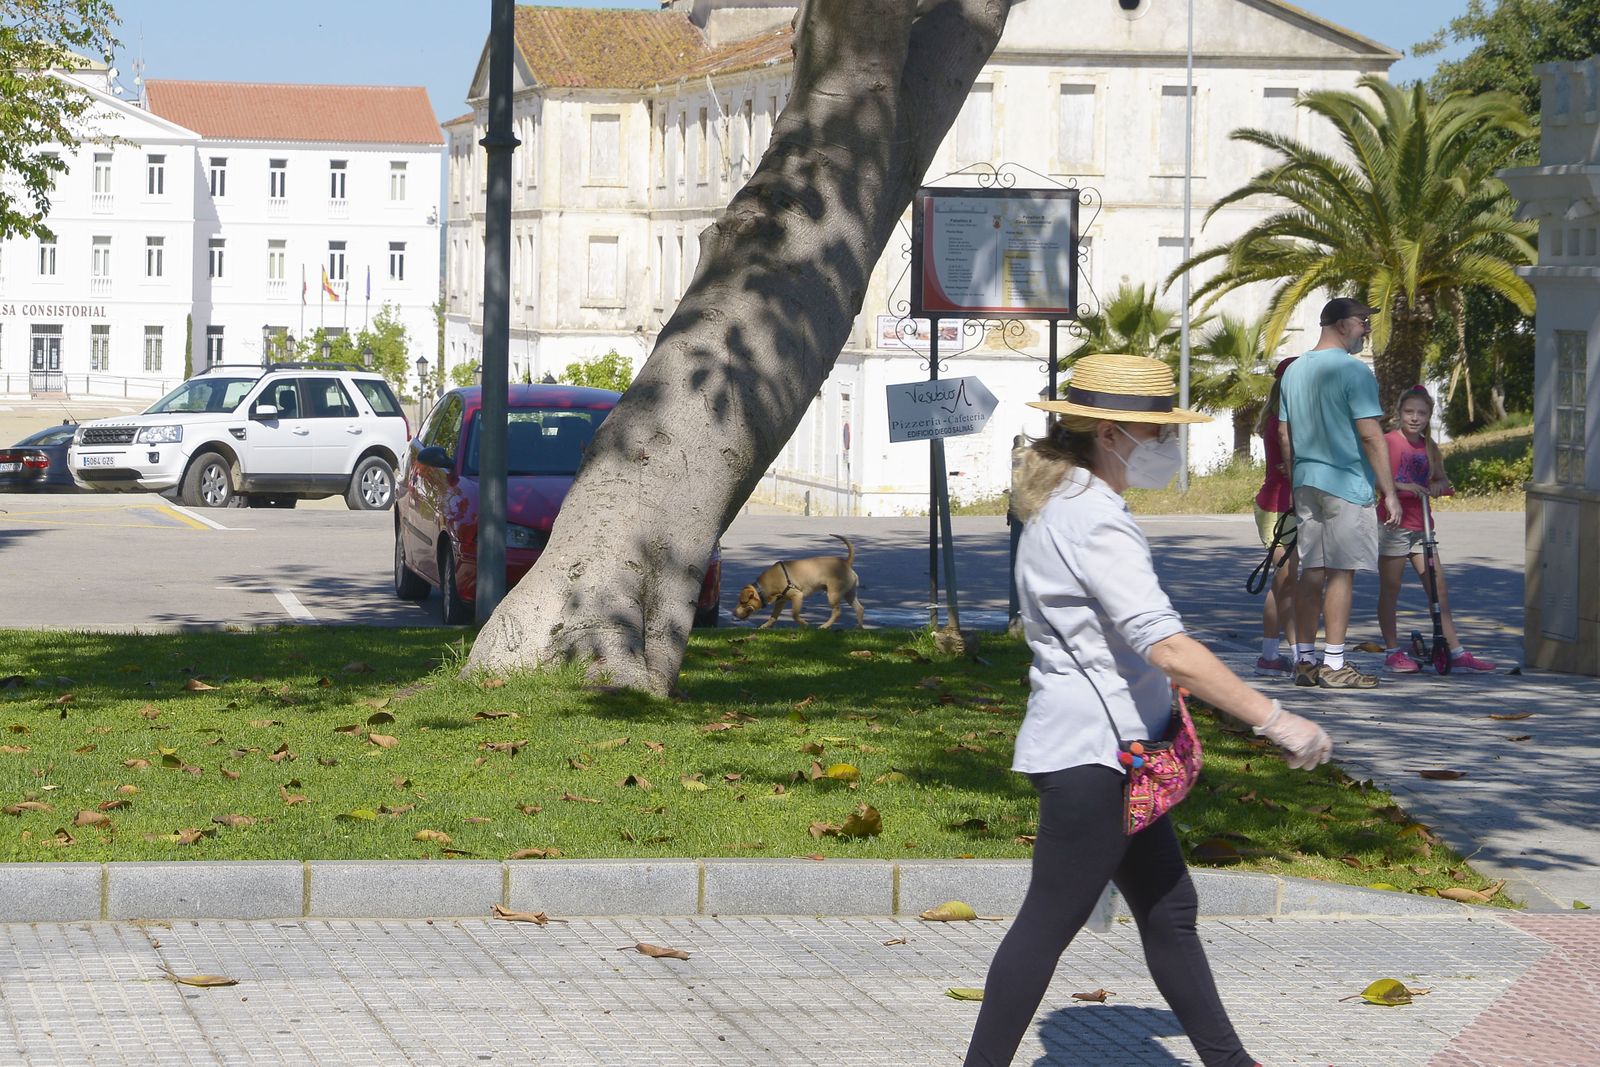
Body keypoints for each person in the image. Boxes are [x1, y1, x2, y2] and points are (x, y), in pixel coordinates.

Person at [964, 353, 1333, 1067]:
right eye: (1154, 431)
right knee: (1046, 925)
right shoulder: (1091, 517)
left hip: (1116, 754)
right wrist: (1275, 718)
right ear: (1109, 431)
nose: (1165, 445)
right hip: (1097, 759)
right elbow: (1168, 647)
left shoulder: (1069, 500)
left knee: (1170, 910)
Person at [1278, 297, 1402, 689]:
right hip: (1346, 483)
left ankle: (1305, 661)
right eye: (1363, 321)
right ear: (1339, 324)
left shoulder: (1294, 370)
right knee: (1341, 574)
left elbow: (1284, 432)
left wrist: (1296, 472)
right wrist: (1390, 491)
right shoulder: (1354, 371)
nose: (1367, 328)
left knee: (1311, 571)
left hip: (1306, 481)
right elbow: (1370, 433)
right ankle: (1334, 664)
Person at [1376, 386, 1497, 673]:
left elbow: (1442, 480)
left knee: (1437, 588)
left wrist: (1437, 487)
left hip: (1423, 528)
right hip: (1394, 525)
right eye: (1409, 412)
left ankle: (1455, 650)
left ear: (1429, 415)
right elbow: (1377, 480)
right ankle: (1392, 651)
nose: (1415, 418)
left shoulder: (1430, 447)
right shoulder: (1388, 442)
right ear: (1399, 413)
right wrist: (1404, 487)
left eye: (1421, 413)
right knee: (1391, 589)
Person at [1252, 356, 1298, 675]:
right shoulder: (1283, 422)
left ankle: (1270, 655)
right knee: (1288, 585)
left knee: (1280, 586)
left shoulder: (1282, 418)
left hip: (1279, 505)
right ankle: (1300, 656)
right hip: (1279, 508)